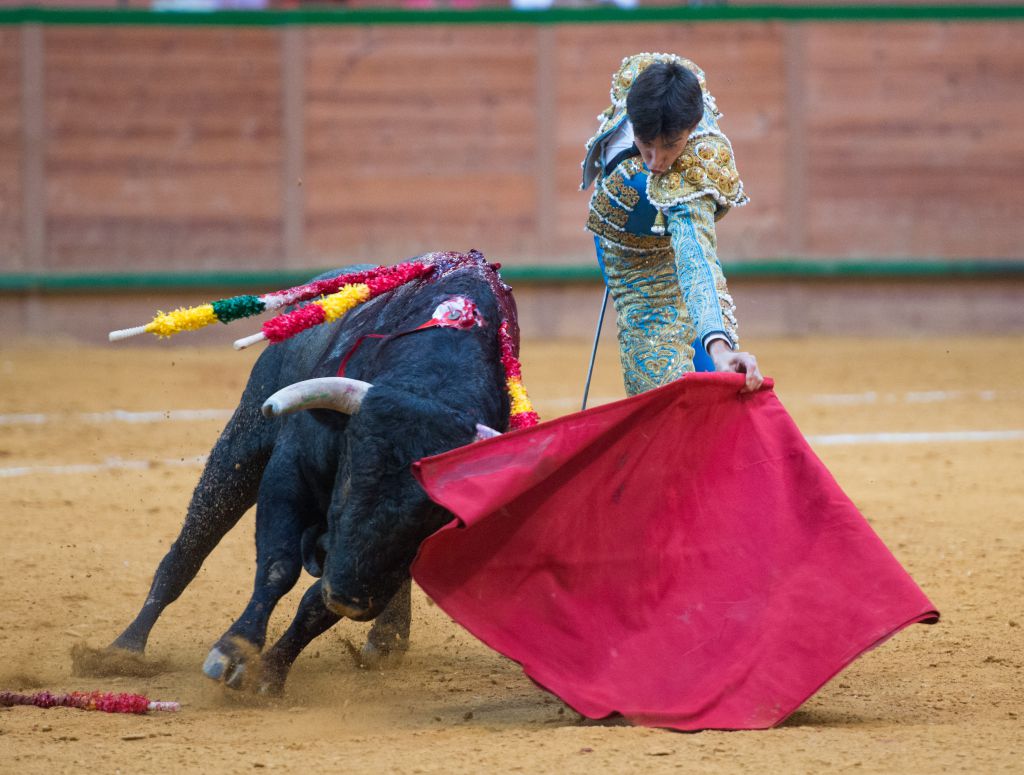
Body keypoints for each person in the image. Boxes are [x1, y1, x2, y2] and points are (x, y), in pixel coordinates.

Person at [581, 52, 763, 395]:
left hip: (682, 236)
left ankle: (713, 348)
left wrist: (720, 346)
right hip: (635, 264)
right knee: (660, 392)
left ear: (691, 128)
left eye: (671, 146)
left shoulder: (693, 173)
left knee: (718, 385)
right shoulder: (636, 80)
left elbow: (696, 255)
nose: (657, 162)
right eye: (646, 145)